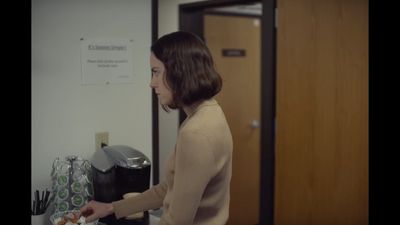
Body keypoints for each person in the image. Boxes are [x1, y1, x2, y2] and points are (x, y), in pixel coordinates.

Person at [80, 31, 233, 225]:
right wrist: (111, 207)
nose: (152, 83)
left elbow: (176, 221)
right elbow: (171, 188)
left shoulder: (195, 133)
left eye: (156, 72)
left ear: (180, 70)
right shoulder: (210, 113)